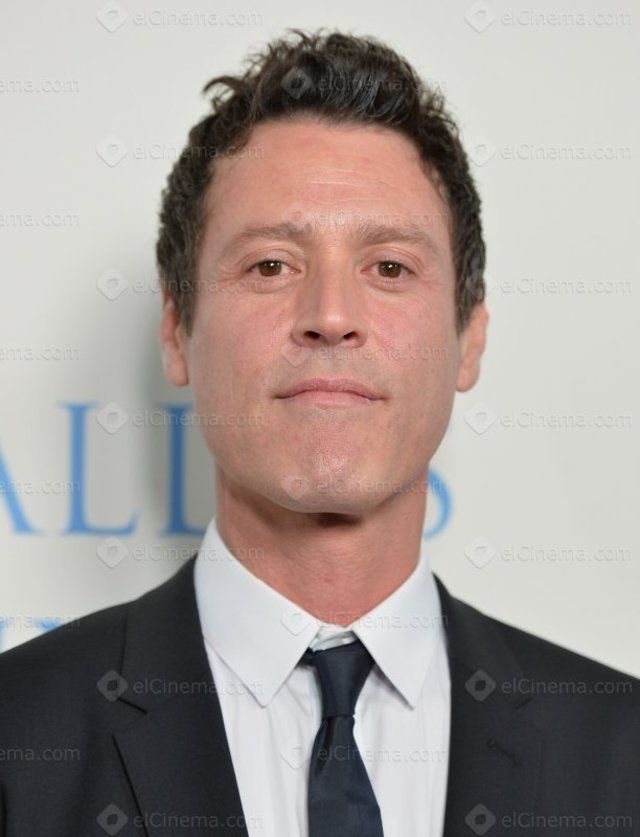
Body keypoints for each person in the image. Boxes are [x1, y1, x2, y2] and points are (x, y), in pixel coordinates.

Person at [0, 28, 638, 837]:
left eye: (390, 267)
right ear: (176, 328)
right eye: (270, 265)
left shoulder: (621, 753)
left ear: (469, 336)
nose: (331, 316)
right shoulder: (17, 739)